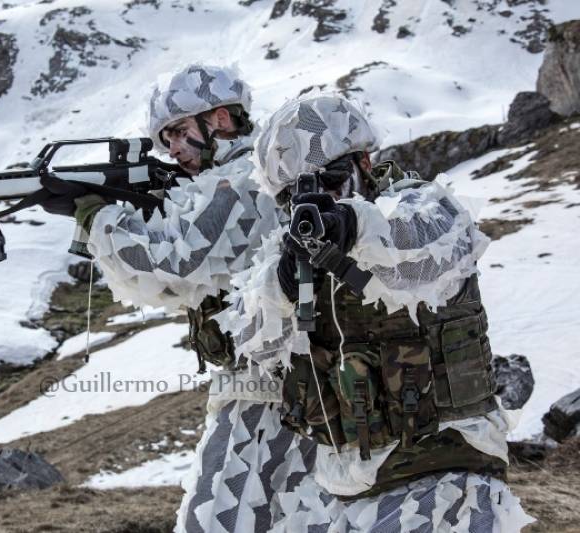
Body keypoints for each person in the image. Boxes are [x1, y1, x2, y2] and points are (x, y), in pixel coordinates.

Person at [214, 94, 535, 531]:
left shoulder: (426, 208)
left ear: (364, 163)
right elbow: (252, 340)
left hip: (444, 476)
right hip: (345, 492)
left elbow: (419, 253)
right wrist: (284, 285)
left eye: (328, 181)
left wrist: (353, 224)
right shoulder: (292, 254)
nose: (313, 202)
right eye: (292, 196)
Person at [37, 65, 317, 532]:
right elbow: (188, 280)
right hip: (273, 380)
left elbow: (175, 258)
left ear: (222, 119)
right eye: (166, 138)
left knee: (216, 517)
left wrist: (98, 218)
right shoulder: (240, 174)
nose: (172, 149)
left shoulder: (244, 179)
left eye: (180, 132)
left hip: (267, 386)